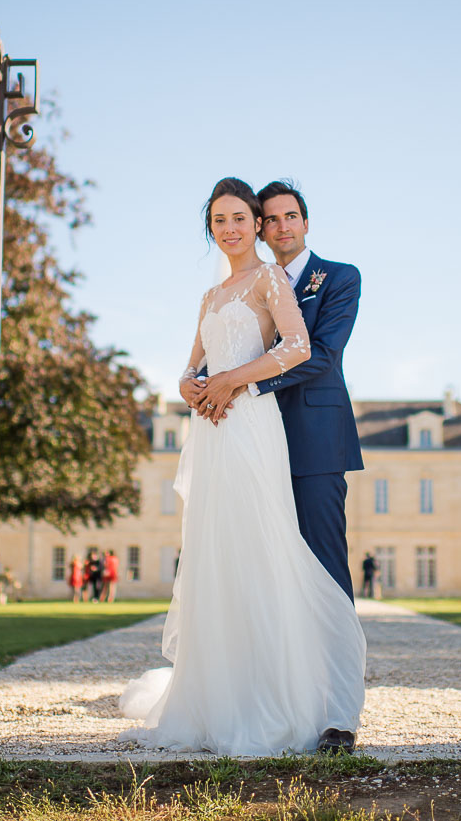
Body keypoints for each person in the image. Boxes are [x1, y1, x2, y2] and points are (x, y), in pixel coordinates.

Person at [119, 177, 365, 757]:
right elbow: (196, 362)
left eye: (289, 217)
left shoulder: (335, 278)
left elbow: (318, 353)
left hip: (310, 439)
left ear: (303, 222)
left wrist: (233, 383)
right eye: (269, 217)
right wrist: (197, 386)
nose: (279, 226)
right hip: (229, 434)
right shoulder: (221, 290)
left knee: (320, 571)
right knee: (235, 559)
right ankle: (241, 689)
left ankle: (336, 711)